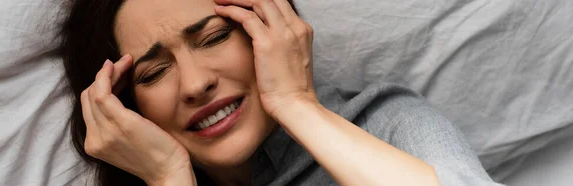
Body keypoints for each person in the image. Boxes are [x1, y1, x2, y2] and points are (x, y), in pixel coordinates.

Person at [59, 0, 502, 185]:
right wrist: (168, 178)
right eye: (155, 73)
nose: (195, 84)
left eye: (214, 39)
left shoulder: (384, 126)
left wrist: (296, 105)